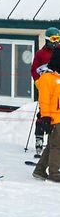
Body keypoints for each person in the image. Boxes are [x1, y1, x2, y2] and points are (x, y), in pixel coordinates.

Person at [31, 27, 60, 156]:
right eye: (54, 39)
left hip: (56, 87)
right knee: (43, 114)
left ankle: (52, 143)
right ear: (47, 40)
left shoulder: (58, 51)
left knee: (54, 116)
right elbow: (34, 70)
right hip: (44, 86)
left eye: (58, 39)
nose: (56, 42)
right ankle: (39, 139)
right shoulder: (41, 54)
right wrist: (38, 82)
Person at [32, 48, 60, 181]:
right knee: (57, 146)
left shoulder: (58, 77)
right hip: (54, 118)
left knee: (52, 145)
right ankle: (55, 173)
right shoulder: (47, 78)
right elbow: (44, 100)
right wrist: (46, 118)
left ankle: (40, 170)